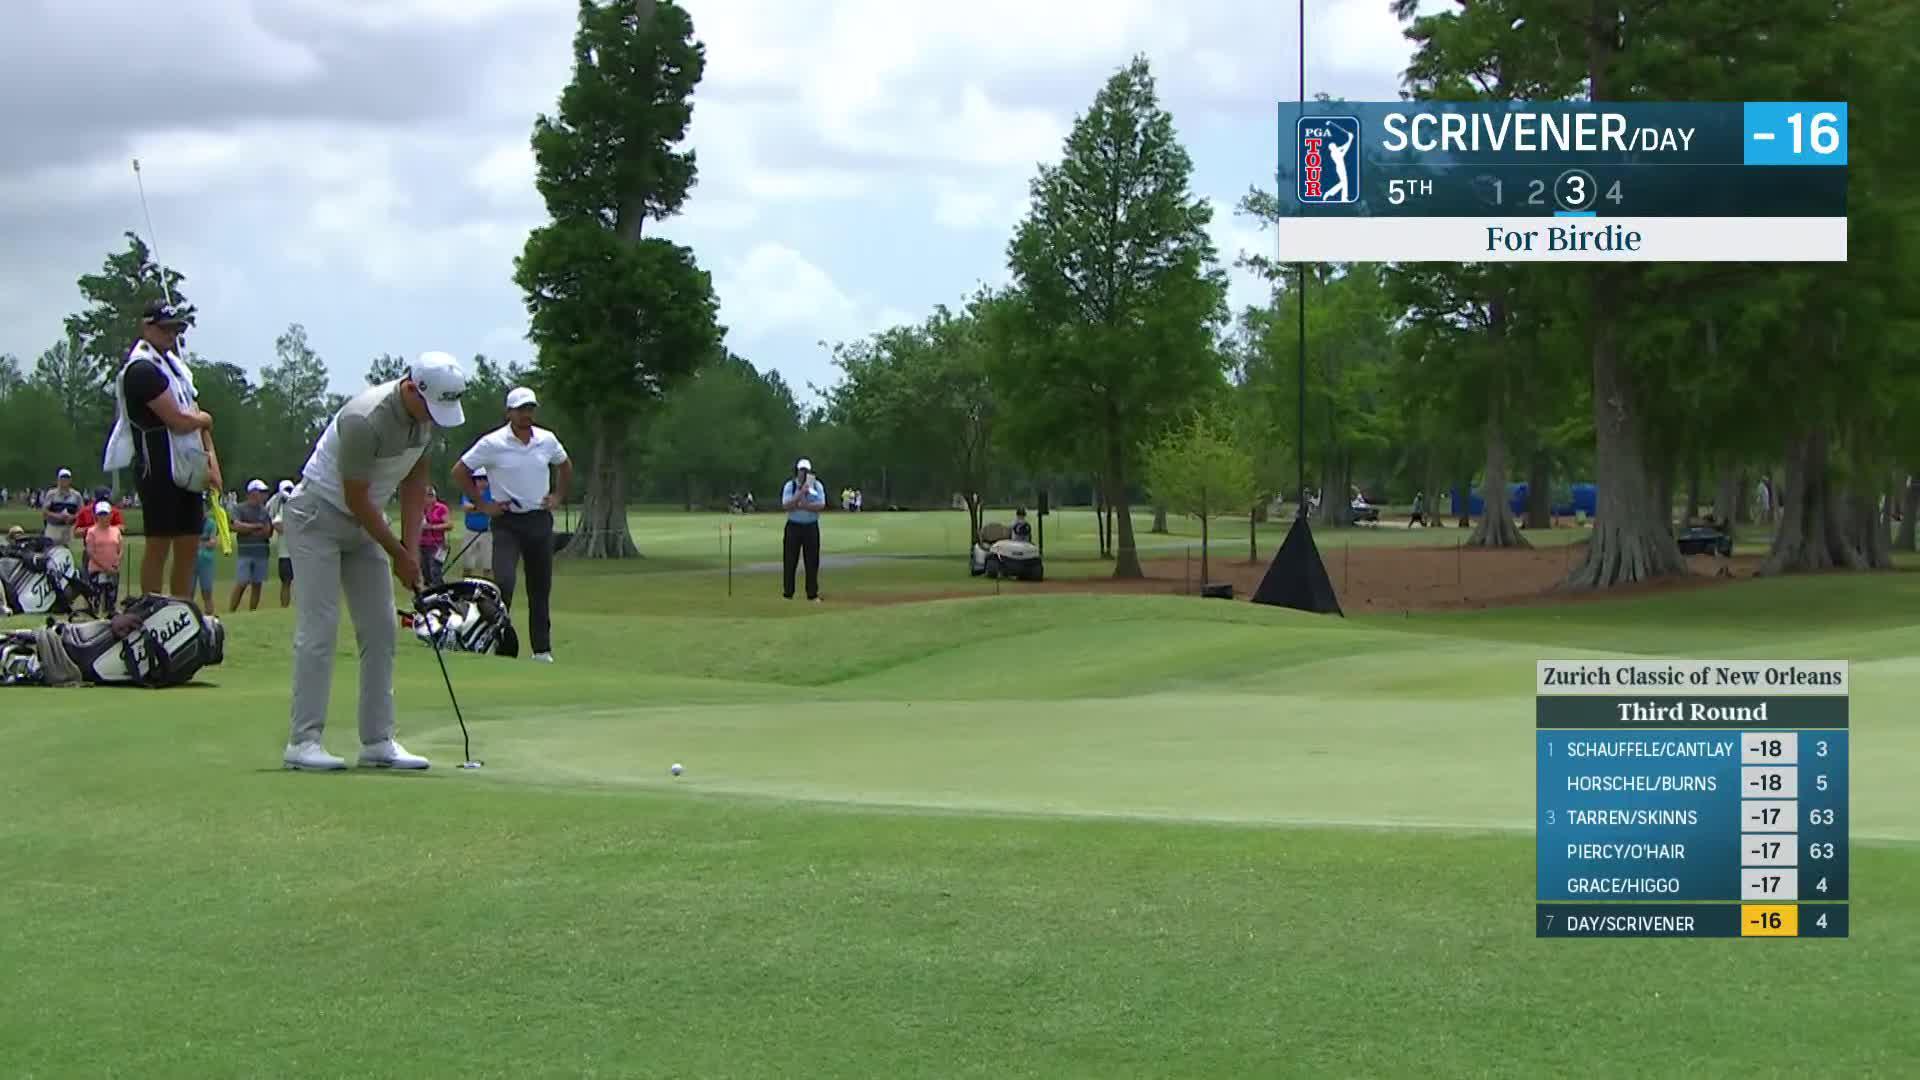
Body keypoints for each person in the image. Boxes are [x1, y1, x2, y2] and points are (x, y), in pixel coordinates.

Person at [280, 351, 468, 772]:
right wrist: (398, 553)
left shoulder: (424, 419)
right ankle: (303, 742)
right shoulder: (364, 419)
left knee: (382, 628)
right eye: (430, 407)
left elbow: (416, 484)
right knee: (320, 627)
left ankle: (378, 741)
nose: (434, 418)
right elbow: (355, 497)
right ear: (411, 388)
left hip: (366, 523)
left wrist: (411, 549)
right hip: (316, 516)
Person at [102, 299, 222, 600]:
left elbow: (193, 414)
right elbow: (178, 420)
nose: (171, 336)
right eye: (164, 329)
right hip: (157, 465)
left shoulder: (177, 369)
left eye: (175, 330)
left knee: (189, 542)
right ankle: (152, 606)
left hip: (189, 465)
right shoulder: (141, 370)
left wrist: (212, 462)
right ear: (147, 328)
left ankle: (183, 606)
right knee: (159, 543)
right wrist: (204, 419)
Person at [452, 386, 570, 663]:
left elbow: (565, 465)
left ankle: (541, 650)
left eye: (530, 409)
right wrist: (483, 505)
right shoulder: (493, 443)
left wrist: (558, 496)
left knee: (540, 588)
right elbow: (460, 471)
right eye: (521, 409)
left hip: (539, 520)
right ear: (509, 413)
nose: (526, 414)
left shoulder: (546, 440)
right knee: (503, 583)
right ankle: (496, 641)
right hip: (507, 522)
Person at [780, 457, 826, 602]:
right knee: (790, 560)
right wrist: (800, 493)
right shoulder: (791, 486)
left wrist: (804, 505)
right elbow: (786, 505)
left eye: (806, 471)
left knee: (812, 561)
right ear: (797, 471)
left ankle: (812, 594)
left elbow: (821, 505)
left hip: (811, 526)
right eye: (802, 471)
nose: (804, 474)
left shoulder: (817, 486)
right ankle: (788, 593)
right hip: (793, 526)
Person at [228, 479, 274, 611]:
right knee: (242, 582)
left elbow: (267, 532)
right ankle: (232, 610)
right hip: (245, 552)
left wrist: (248, 528)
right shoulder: (239, 508)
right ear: (252, 493)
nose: (264, 495)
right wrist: (255, 527)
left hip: (262, 552)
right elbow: (236, 526)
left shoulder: (264, 511)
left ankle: (252, 612)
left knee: (257, 584)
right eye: (261, 492)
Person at [82, 500, 124, 614]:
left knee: (111, 598)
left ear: (110, 515)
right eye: (100, 514)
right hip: (97, 569)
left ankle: (110, 611)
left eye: (105, 514)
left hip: (113, 569)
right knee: (96, 598)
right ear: (96, 516)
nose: (103, 517)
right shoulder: (91, 532)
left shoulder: (116, 531)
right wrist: (105, 567)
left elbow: (121, 548)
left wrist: (117, 562)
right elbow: (90, 552)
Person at [459, 470, 495, 580]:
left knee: (488, 565)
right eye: (479, 479)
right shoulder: (469, 492)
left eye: (485, 479)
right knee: (467, 563)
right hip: (470, 531)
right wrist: (484, 508)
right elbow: (466, 507)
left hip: (487, 533)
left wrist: (475, 508)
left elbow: (494, 509)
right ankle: (466, 584)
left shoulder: (493, 492)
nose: (482, 482)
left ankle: (487, 585)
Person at [269, 479, 296, 607]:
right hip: (285, 553)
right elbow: (278, 525)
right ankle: (284, 607)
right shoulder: (279, 507)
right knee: (286, 582)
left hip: (300, 552)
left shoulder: (298, 506)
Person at [42, 468, 84, 546]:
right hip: (53, 528)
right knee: (51, 548)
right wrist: (58, 516)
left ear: (70, 480)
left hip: (70, 528)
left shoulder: (76, 495)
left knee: (70, 549)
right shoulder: (51, 494)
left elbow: (81, 512)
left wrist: (73, 517)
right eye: (62, 478)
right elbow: (45, 511)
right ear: (58, 480)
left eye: (67, 478)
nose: (64, 481)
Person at [420, 486, 451, 586]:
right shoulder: (419, 509)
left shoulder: (441, 508)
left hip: (438, 544)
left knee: (435, 570)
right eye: (427, 495)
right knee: (425, 571)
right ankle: (430, 589)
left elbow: (449, 525)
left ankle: (440, 590)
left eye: (431, 495)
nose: (429, 498)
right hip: (422, 544)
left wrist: (432, 527)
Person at [194, 505, 219, 612]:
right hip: (191, 560)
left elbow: (213, 543)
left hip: (206, 560)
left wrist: (198, 544)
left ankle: (209, 615)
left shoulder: (211, 523)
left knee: (207, 591)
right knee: (188, 592)